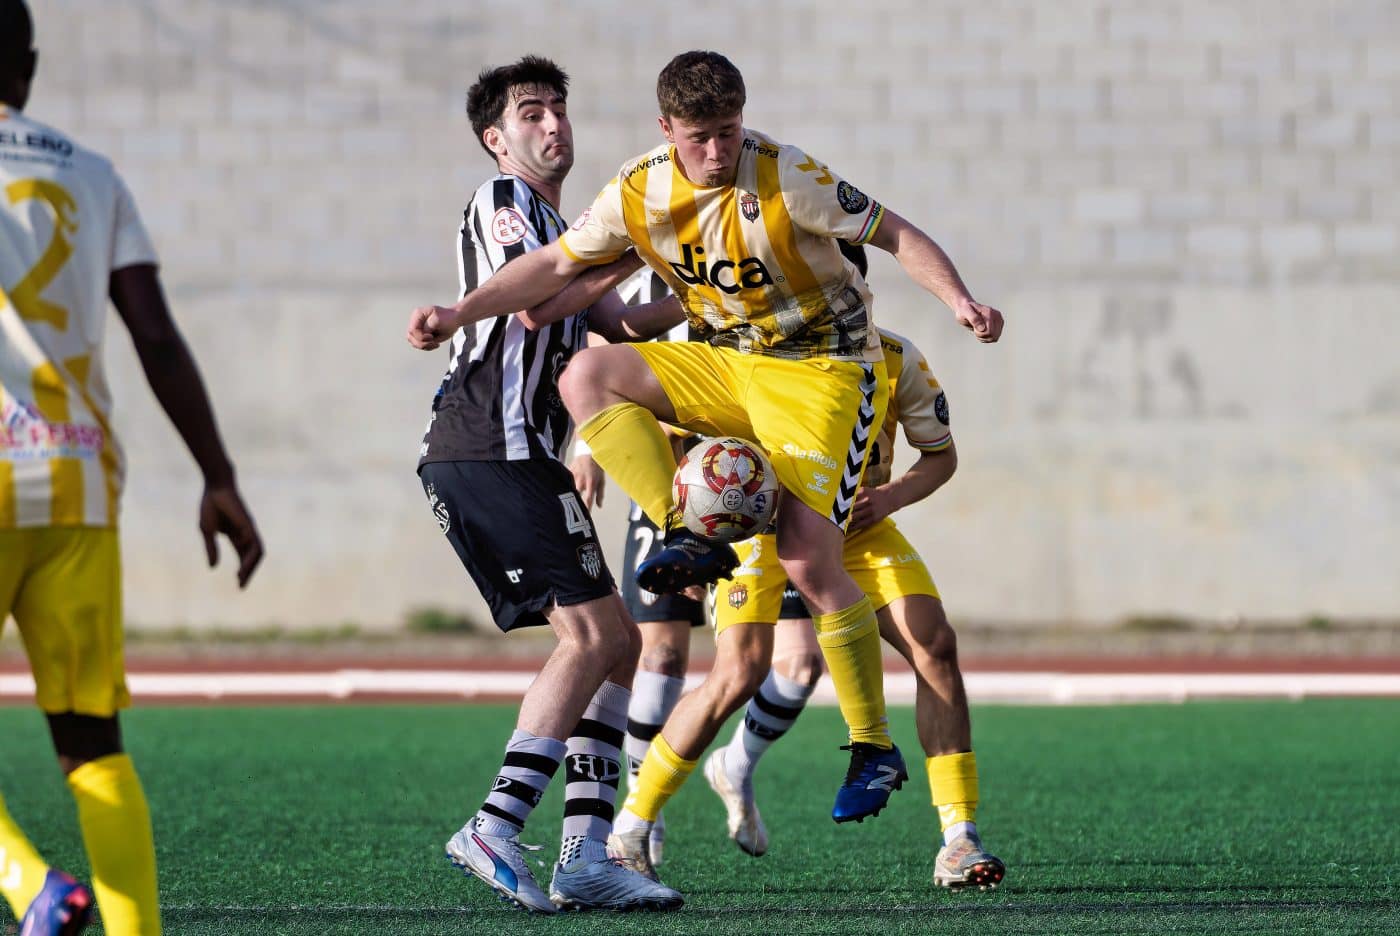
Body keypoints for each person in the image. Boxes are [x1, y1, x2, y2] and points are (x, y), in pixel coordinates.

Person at [406, 49, 1004, 844]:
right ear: (667, 131)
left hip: (824, 372)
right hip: (731, 363)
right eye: (701, 137)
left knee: (804, 557)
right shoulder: (639, 186)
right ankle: (685, 533)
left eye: (728, 132)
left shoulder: (790, 175)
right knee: (587, 378)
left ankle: (870, 745)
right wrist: (459, 311)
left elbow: (897, 233)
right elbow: (551, 266)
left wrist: (959, 298)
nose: (718, 152)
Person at [0, 2, 264, 933]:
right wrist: (218, 474)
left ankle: (32, 886)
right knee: (91, 742)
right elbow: (154, 333)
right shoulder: (92, 173)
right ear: (25, 65)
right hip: (74, 481)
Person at [413, 55, 681, 914]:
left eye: (559, 109)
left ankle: (585, 857)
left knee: (618, 645)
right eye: (532, 113)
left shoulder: (557, 222)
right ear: (496, 139)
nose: (553, 124)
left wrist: (696, 286)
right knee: (597, 640)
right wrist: (641, 242)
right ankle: (495, 825)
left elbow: (614, 322)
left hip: (515, 453)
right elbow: (538, 307)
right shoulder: (504, 203)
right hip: (491, 446)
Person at [702, 244, 1006, 890]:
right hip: (770, 538)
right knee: (737, 672)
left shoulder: (895, 361)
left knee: (936, 645)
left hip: (858, 537)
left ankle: (958, 837)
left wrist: (888, 497)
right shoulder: (752, 358)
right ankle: (628, 828)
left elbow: (940, 456)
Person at [569, 267, 703, 870]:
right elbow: (604, 347)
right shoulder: (648, 270)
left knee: (774, 662)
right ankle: (641, 807)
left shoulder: (748, 254)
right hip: (670, 486)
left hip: (749, 477)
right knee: (663, 653)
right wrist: (586, 447)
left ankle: (739, 766)